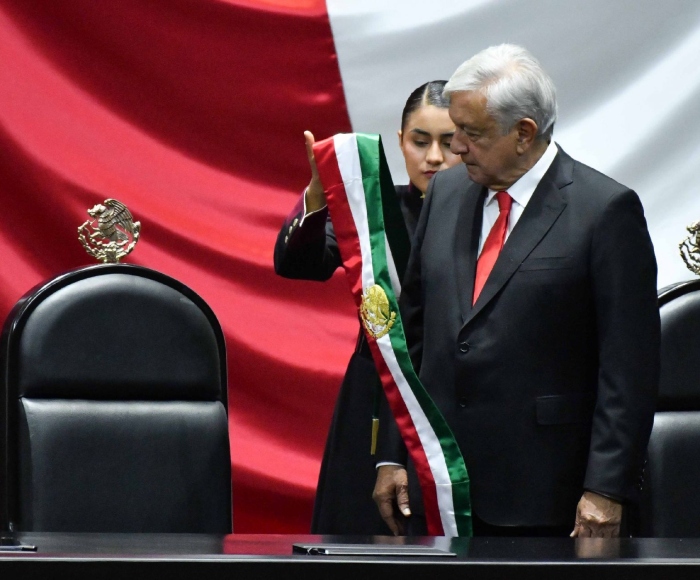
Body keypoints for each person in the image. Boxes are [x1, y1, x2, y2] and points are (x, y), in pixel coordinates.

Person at [373, 44, 660, 538]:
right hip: (437, 489)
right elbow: (413, 336)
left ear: (524, 133)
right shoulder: (445, 193)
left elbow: (628, 369)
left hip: (547, 498)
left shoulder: (604, 211)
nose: (456, 146)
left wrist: (607, 489)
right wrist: (392, 455)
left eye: (471, 133)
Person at [273, 81, 461, 534]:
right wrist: (317, 197)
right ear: (400, 141)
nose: (434, 157)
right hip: (374, 391)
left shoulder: (488, 214)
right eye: (420, 142)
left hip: (450, 393)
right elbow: (297, 265)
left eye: (449, 143)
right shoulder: (373, 214)